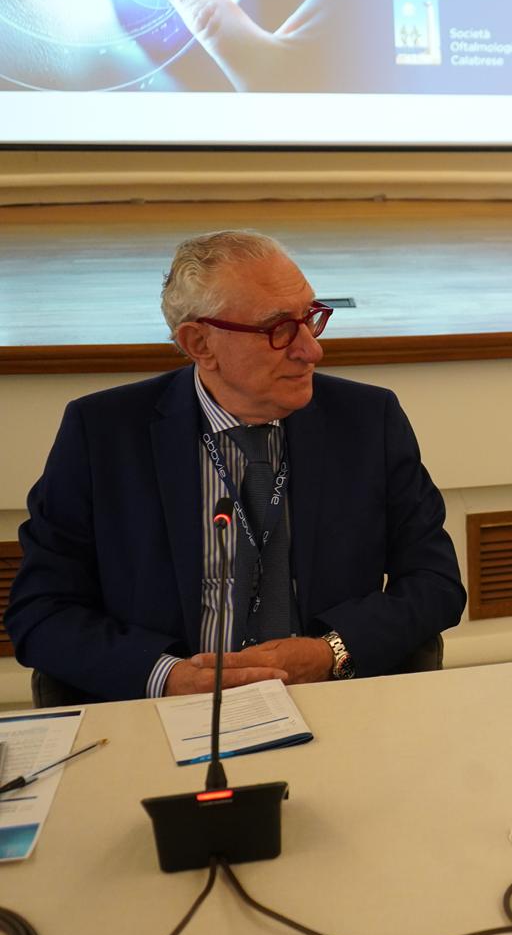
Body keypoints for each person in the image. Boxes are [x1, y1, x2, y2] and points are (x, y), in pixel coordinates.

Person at [6, 230, 466, 702]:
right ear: (200, 343)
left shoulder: (367, 421)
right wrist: (168, 677)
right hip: (168, 710)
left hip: (331, 698)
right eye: (278, 329)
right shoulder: (103, 434)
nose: (311, 350)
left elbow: (435, 583)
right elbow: (40, 610)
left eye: (310, 318)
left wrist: (329, 652)